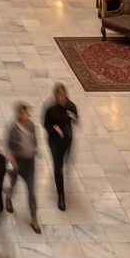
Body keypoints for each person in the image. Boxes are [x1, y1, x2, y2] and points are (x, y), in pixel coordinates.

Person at [42, 82, 79, 210]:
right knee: (58, 167)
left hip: (67, 140)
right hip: (55, 142)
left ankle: (65, 161)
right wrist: (55, 129)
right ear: (56, 97)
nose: (62, 98)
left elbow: (75, 119)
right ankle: (61, 196)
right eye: (59, 96)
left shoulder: (71, 106)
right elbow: (45, 124)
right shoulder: (50, 109)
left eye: (64, 95)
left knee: (66, 158)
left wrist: (69, 127)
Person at [5, 102, 40, 232]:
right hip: (17, 162)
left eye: (25, 113)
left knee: (31, 191)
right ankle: (8, 197)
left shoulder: (31, 125)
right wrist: (12, 158)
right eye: (21, 113)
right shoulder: (13, 129)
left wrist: (34, 150)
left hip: (29, 163)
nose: (24, 115)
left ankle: (34, 219)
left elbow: (34, 140)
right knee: (13, 184)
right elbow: (8, 146)